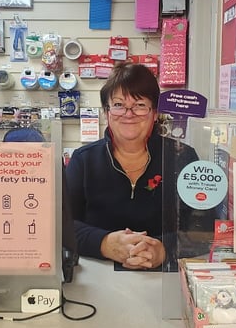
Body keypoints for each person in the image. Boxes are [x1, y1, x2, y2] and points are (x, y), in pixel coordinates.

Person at [65, 62, 166, 270]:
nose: (128, 114)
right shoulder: (83, 160)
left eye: (139, 105)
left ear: (155, 113)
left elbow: (201, 230)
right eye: (119, 105)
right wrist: (104, 243)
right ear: (106, 112)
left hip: (167, 280)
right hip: (95, 280)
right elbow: (61, 224)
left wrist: (164, 249)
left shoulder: (181, 158)